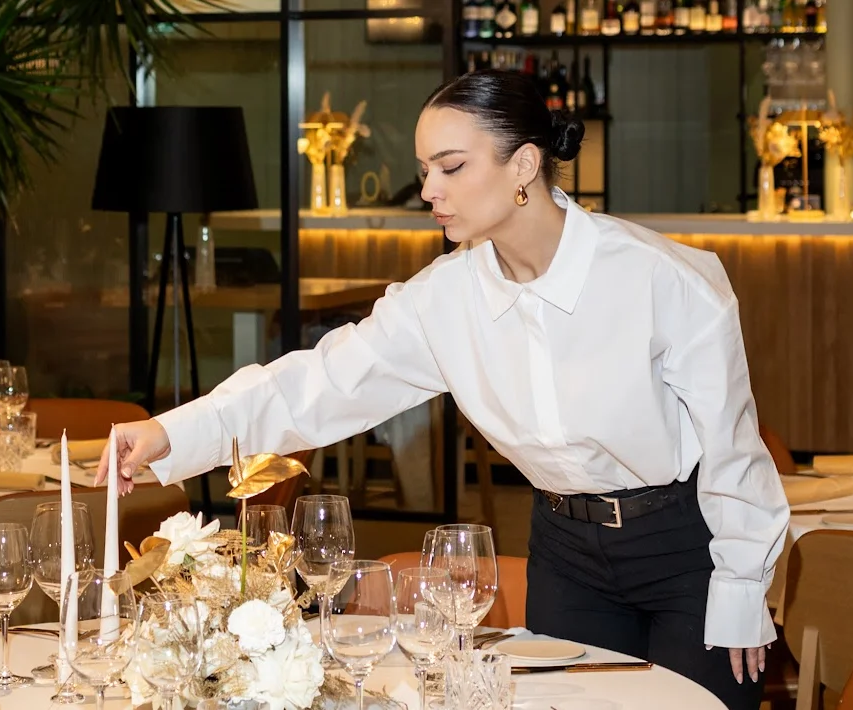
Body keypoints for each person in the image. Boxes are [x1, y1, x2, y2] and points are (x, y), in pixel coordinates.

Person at [97, 69, 789, 710]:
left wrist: (740, 586)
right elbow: (319, 381)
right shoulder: (445, 298)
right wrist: (170, 434)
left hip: (686, 550)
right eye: (425, 170)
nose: (429, 189)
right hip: (565, 555)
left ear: (522, 165)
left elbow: (733, 449)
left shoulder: (663, 280)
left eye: (451, 168)